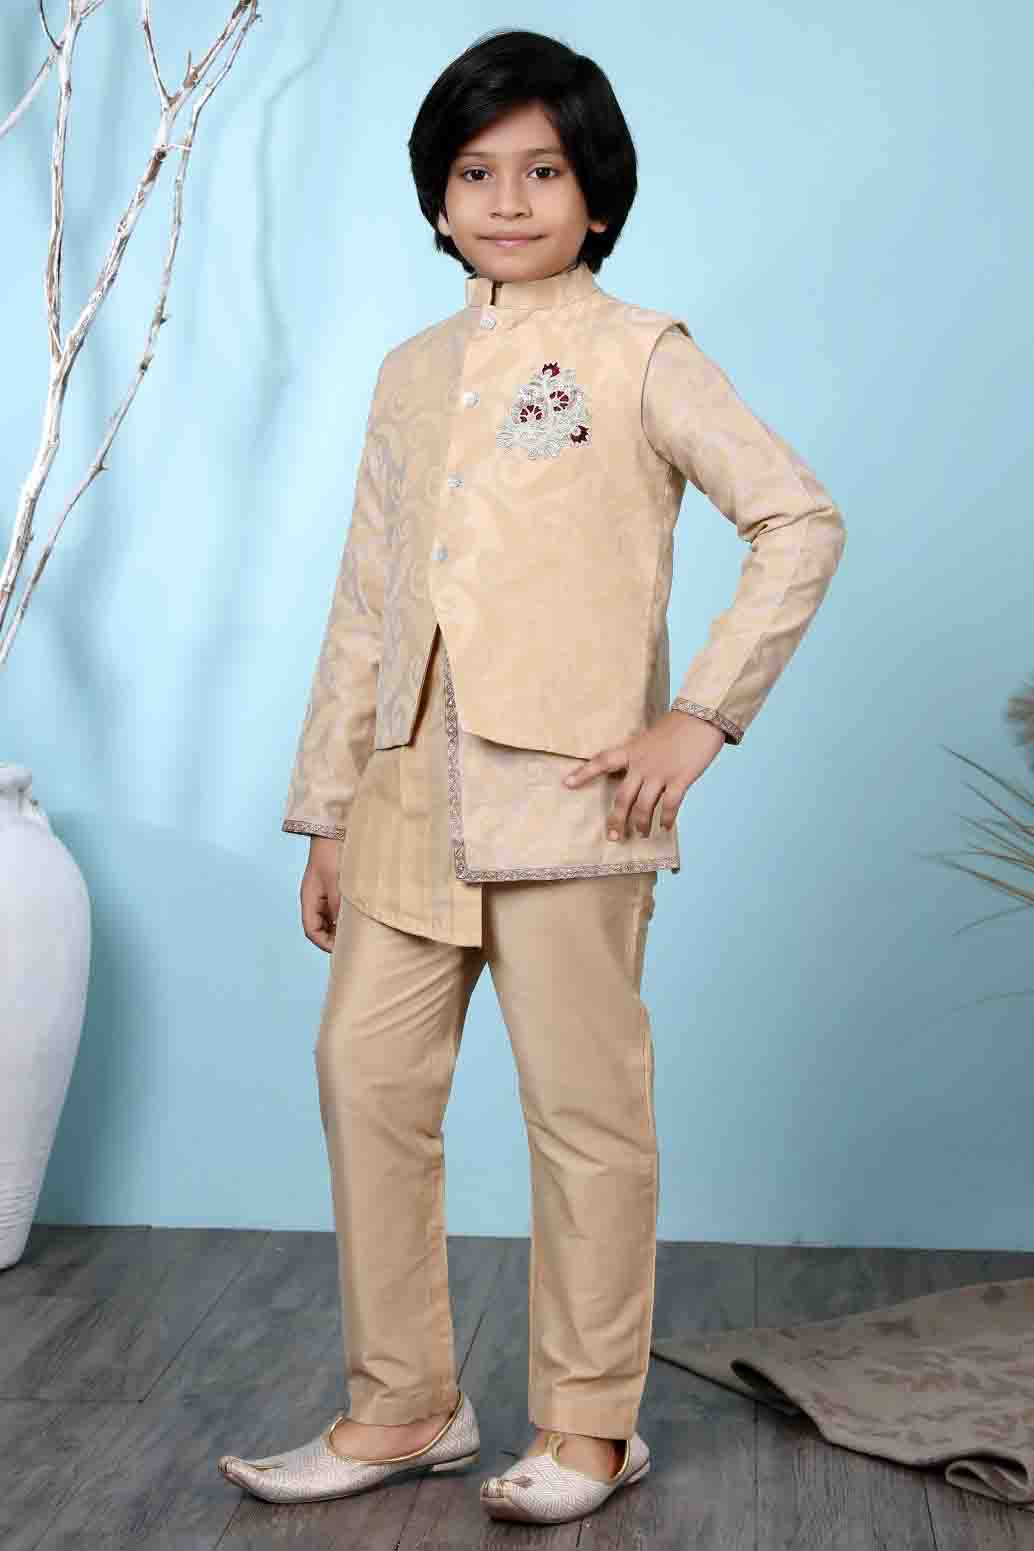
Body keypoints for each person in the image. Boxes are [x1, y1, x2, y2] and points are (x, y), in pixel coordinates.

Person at [217, 26, 846, 1527]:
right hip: (401, 802)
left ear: (595, 193)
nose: (506, 199)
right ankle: (403, 1407)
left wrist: (698, 719)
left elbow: (798, 521)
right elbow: (366, 599)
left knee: (583, 1116)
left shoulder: (642, 352)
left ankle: (590, 1427)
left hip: (571, 798)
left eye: (541, 170)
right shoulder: (410, 371)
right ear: (437, 200)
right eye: (474, 172)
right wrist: (327, 812)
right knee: (366, 1081)